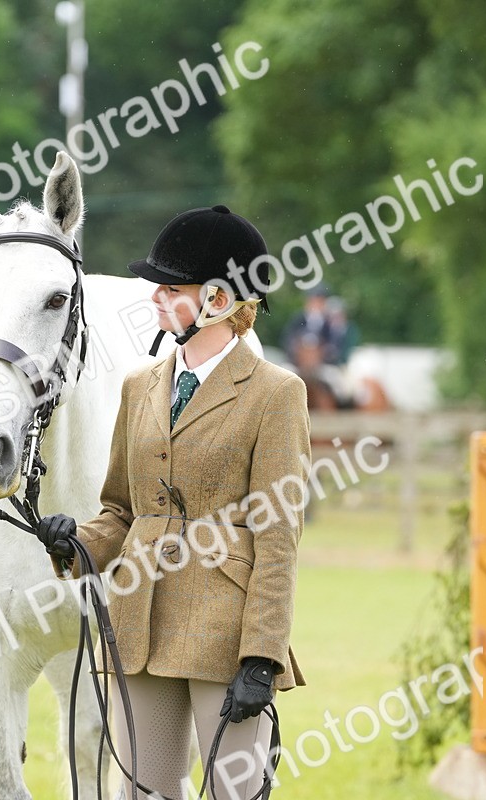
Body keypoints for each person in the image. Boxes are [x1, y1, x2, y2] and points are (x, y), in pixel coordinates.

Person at [36, 205, 311, 799]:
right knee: (141, 793)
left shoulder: (276, 394)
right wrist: (76, 542)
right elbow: (121, 510)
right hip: (140, 619)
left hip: (226, 631)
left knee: (233, 792)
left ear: (217, 300)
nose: (154, 298)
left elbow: (278, 536)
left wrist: (262, 656)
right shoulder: (140, 387)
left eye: (170, 289)